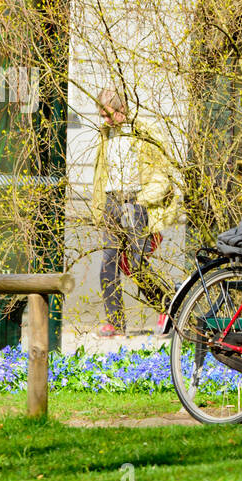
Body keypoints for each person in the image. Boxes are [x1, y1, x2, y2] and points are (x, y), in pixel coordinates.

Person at [89, 89, 179, 337]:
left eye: (107, 114)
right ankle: (115, 323)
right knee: (108, 264)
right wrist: (100, 209)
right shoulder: (105, 135)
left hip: (136, 203)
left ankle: (168, 306)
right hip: (111, 202)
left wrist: (141, 200)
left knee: (136, 263)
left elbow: (162, 173)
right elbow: (100, 174)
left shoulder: (145, 132)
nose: (104, 120)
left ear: (122, 110)